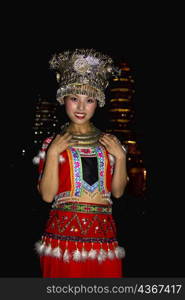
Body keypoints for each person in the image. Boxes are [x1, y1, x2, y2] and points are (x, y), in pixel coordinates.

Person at [34, 48, 127, 278]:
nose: (81, 107)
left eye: (90, 100)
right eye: (74, 98)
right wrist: (54, 152)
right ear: (63, 99)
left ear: (98, 103)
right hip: (62, 245)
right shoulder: (52, 144)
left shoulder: (110, 144)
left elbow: (117, 192)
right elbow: (47, 196)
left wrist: (122, 157)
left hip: (104, 241)